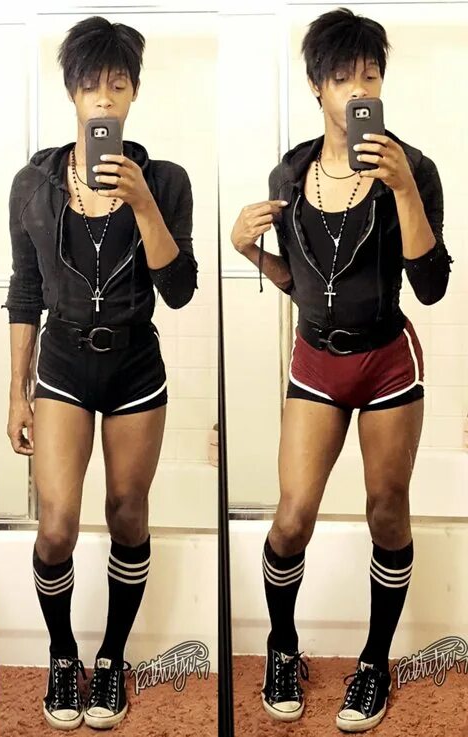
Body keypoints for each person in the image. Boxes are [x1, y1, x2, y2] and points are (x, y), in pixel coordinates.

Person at [229, 8, 450, 732]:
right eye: (344, 77)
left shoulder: (412, 168)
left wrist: (405, 190)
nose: (360, 89)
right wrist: (249, 251)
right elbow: (301, 284)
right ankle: (282, 645)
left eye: (371, 76)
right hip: (316, 361)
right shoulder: (290, 173)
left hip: (387, 361)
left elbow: (432, 286)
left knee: (387, 508)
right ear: (317, 87)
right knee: (292, 516)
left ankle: (374, 660)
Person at [5, 16, 197, 731]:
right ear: (72, 93)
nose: (105, 98)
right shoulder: (34, 183)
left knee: (126, 511)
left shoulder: (165, 181)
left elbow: (179, 288)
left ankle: (112, 655)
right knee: (56, 523)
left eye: (118, 85)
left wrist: (143, 202)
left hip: (136, 365)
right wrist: (16, 391)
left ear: (135, 92)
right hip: (61, 363)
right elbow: (26, 290)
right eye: (92, 85)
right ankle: (63, 653)